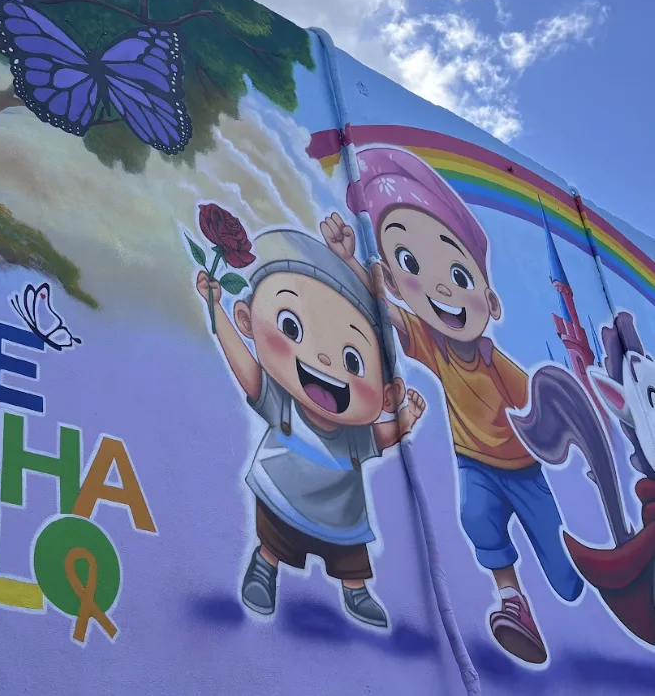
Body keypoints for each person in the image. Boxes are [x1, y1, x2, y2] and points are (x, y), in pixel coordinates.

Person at [322, 145, 583, 664]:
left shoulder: (496, 361)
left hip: (524, 469)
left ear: (492, 301)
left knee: (564, 572)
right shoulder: (434, 342)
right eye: (411, 265)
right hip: (475, 463)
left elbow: (539, 408)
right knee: (474, 517)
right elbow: (388, 313)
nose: (440, 286)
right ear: (398, 280)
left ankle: (569, 581)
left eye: (460, 278)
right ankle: (513, 602)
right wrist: (350, 258)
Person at [196, 227, 425, 628]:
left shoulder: (355, 432)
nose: (321, 357)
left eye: (354, 361)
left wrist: (403, 423)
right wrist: (215, 307)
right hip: (282, 496)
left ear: (386, 396)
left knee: (350, 558)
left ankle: (355, 591)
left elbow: (379, 439)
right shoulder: (283, 403)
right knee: (274, 542)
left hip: (342, 515)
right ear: (249, 320)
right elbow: (246, 369)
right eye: (292, 327)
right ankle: (264, 569)